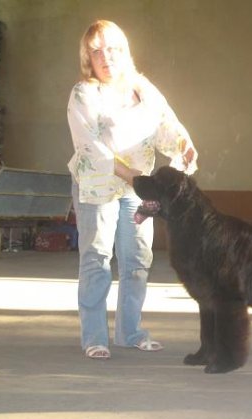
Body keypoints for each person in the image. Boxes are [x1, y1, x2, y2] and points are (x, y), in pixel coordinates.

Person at [67, 20, 198, 359]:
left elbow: (166, 125)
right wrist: (131, 175)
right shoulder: (84, 93)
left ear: (123, 51)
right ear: (88, 58)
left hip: (138, 187)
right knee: (97, 259)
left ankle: (130, 332)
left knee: (137, 259)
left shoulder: (142, 87)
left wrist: (184, 145)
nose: (105, 57)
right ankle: (94, 337)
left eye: (111, 49)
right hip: (98, 185)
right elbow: (90, 147)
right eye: (96, 51)